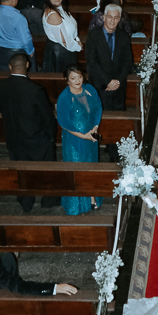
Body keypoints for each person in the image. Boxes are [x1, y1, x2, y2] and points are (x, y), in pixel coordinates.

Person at [0, 53, 60, 212]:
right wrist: (50, 136)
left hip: (13, 136)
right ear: (27, 65)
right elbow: (47, 116)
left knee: (20, 168)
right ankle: (48, 199)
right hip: (36, 138)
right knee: (45, 169)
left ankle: (26, 200)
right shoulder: (35, 90)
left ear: (10, 67)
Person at [85, 3, 134, 157]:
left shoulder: (123, 36)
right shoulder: (93, 36)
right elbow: (92, 64)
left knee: (117, 120)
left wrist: (117, 81)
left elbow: (128, 62)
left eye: (116, 18)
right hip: (101, 85)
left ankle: (115, 151)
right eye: (110, 17)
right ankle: (99, 148)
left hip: (119, 86)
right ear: (104, 17)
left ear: (119, 19)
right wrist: (108, 81)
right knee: (101, 117)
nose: (113, 21)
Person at [56, 66, 102, 214]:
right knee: (78, 169)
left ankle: (92, 198)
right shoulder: (64, 97)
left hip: (90, 138)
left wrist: (95, 126)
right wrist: (83, 136)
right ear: (66, 80)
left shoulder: (90, 89)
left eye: (79, 77)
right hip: (75, 140)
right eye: (73, 78)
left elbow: (97, 108)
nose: (77, 81)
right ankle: (78, 204)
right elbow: (64, 122)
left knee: (91, 166)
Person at [0, 0, 35, 71]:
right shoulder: (18, 17)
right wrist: (30, 51)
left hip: (0, 52)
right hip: (18, 54)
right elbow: (25, 40)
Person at [43, 0, 82, 72]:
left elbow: (72, 25)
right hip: (61, 52)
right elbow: (64, 40)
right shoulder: (53, 14)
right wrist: (77, 47)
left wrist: (77, 39)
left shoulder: (60, 8)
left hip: (66, 48)